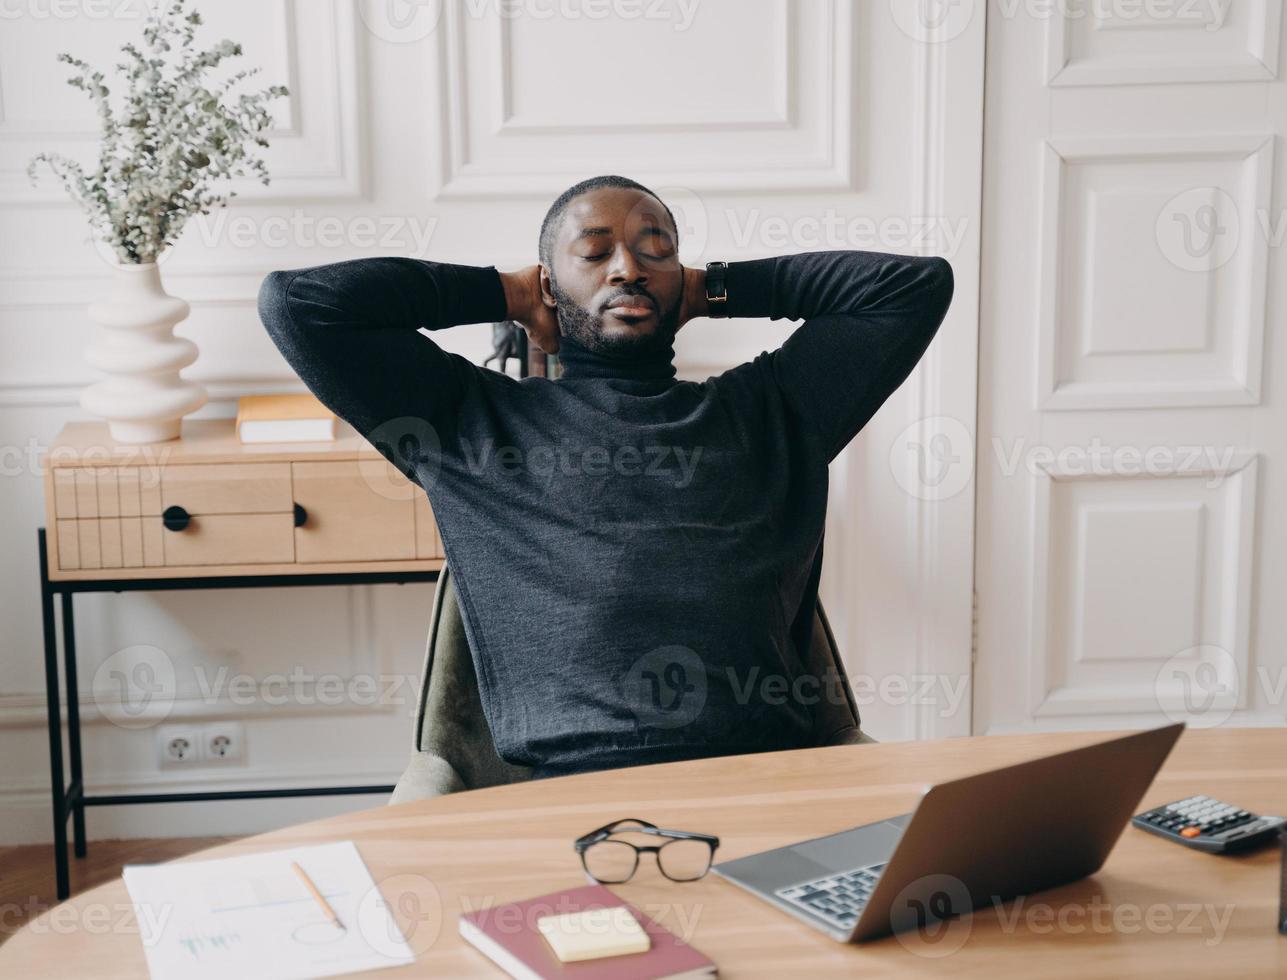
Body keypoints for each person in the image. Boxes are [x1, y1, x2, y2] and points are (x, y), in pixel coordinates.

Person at [258, 175, 954, 778]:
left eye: (656, 249)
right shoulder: (469, 423)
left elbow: (913, 287)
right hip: (577, 790)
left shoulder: (772, 411)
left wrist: (714, 287)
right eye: (593, 252)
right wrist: (503, 292)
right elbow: (301, 304)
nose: (627, 266)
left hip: (763, 772)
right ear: (551, 283)